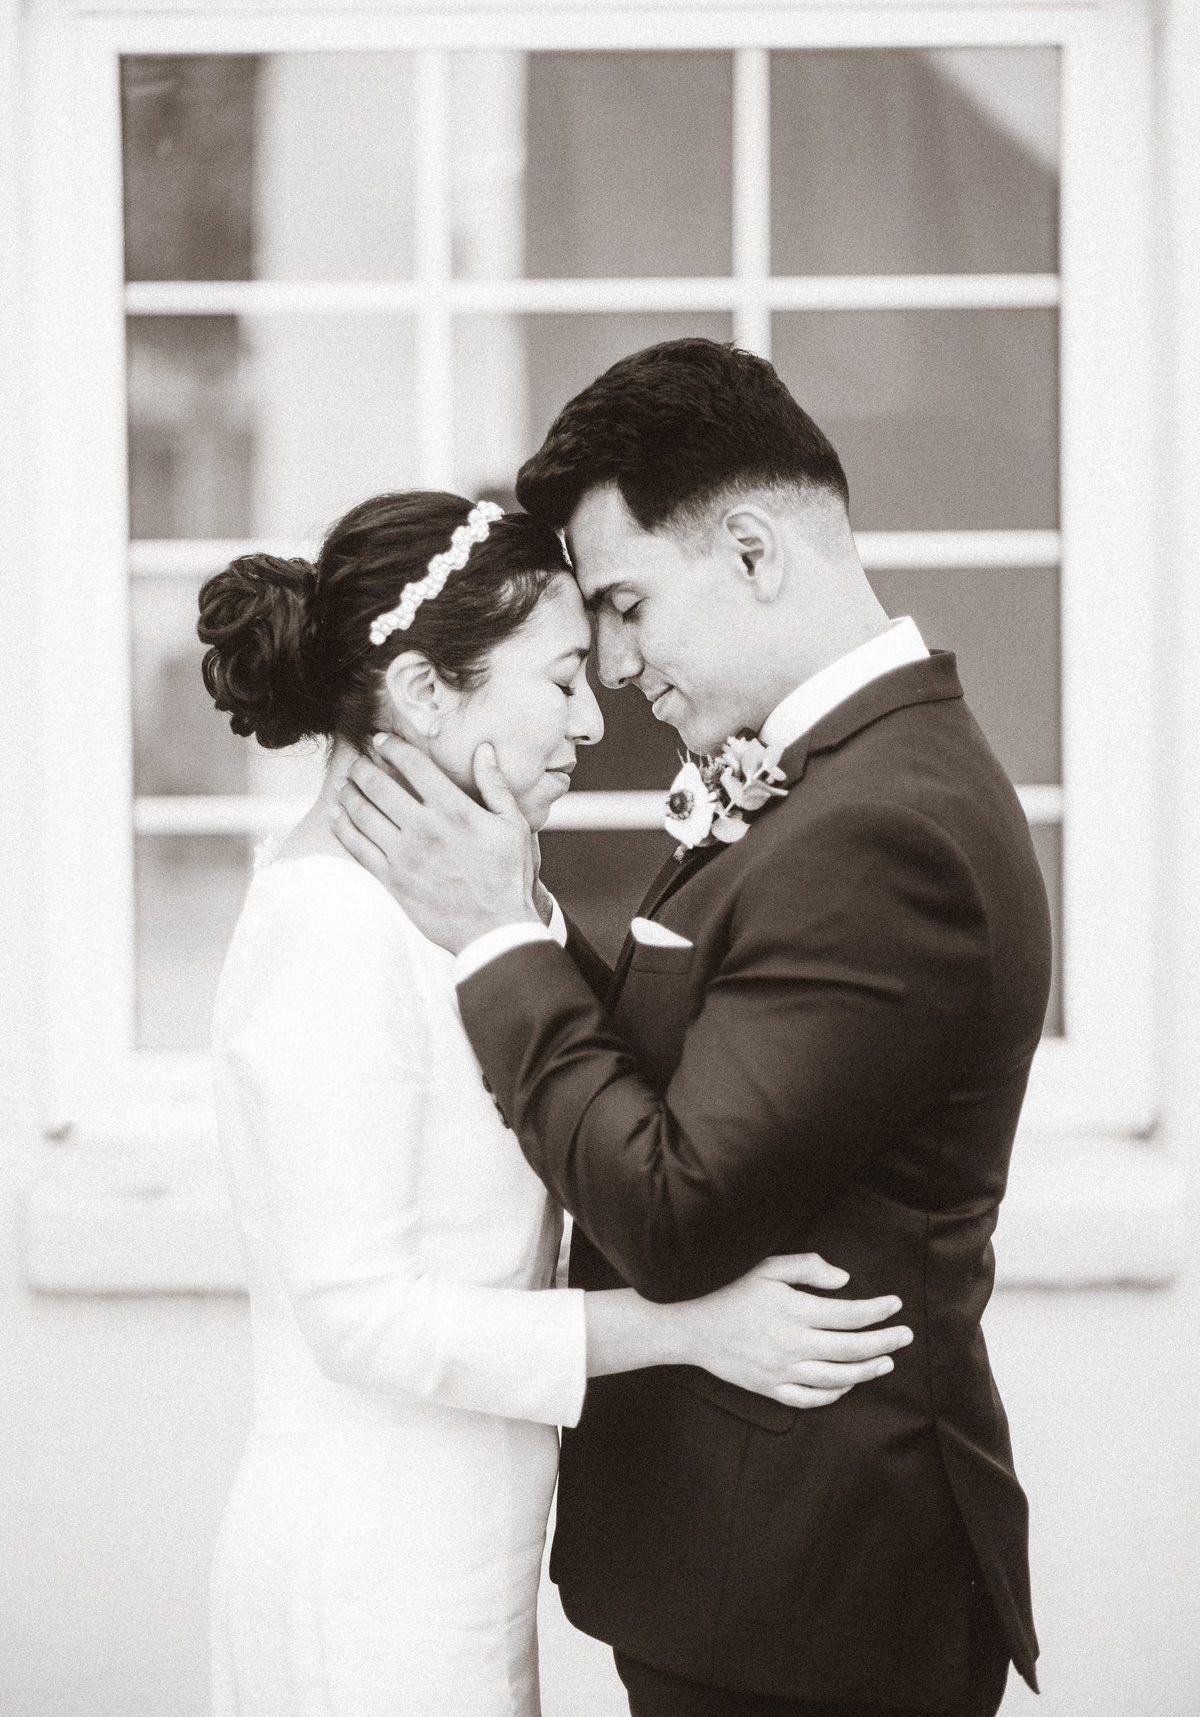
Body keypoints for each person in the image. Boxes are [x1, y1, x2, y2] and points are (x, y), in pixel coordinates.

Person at [333, 342, 1055, 1717]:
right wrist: (527, 927)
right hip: (752, 1574)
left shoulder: (881, 827)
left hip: (808, 1592)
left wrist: (492, 938)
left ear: (750, 548)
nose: (611, 663)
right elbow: (688, 1068)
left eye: (623, 604)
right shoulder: (836, 785)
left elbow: (673, 1207)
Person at [198, 489, 911, 1717]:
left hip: (467, 1564)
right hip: (365, 1587)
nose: (595, 716)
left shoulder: (480, 901)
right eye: (564, 677)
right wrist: (685, 1327)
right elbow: (359, 1319)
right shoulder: (330, 928)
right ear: (426, 694)